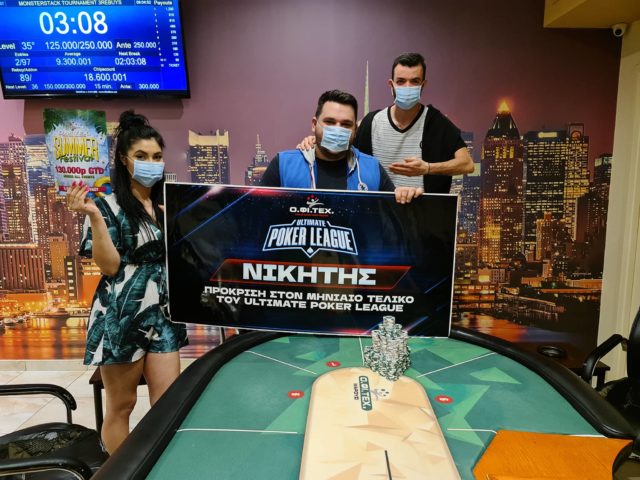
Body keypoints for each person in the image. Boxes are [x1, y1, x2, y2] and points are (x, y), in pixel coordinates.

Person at [66, 110, 188, 454]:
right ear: (124, 159)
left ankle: (157, 469)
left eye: (157, 157)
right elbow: (109, 266)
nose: (151, 163)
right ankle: (120, 472)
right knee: (122, 406)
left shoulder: (164, 207)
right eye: (141, 156)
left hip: (163, 313)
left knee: (167, 405)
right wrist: (93, 216)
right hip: (121, 314)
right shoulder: (106, 206)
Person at [299, 53, 474, 193]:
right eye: (401, 81)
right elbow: (341, 137)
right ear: (391, 84)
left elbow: (467, 164)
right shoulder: (372, 121)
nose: (407, 87)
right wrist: (314, 140)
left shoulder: (436, 122)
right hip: (378, 214)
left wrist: (427, 168)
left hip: (422, 216)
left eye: (414, 81)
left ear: (423, 85)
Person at [261, 89, 423, 204]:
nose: (337, 129)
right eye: (330, 122)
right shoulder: (283, 164)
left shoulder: (372, 168)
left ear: (355, 130)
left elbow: (391, 220)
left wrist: (406, 196)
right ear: (314, 124)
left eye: (346, 124)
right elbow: (256, 213)